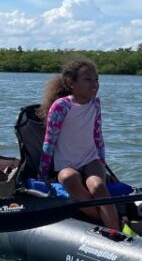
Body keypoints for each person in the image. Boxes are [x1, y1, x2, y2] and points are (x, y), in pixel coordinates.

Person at [38, 58, 120, 230]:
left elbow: (98, 137)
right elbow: (49, 141)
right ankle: (105, 224)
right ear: (71, 83)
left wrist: (102, 164)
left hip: (90, 160)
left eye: (96, 79)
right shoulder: (61, 106)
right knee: (69, 178)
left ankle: (116, 231)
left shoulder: (95, 104)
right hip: (66, 163)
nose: (95, 84)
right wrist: (43, 173)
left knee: (97, 185)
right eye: (88, 79)